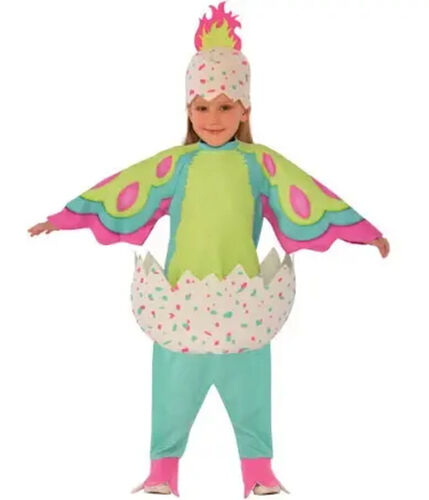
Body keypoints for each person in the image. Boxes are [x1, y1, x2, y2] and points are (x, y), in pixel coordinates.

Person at [28, 2, 390, 497]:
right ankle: (163, 472)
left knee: (251, 387)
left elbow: (309, 195)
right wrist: (63, 219)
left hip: (243, 306)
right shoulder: (175, 166)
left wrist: (363, 232)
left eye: (225, 106)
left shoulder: (260, 164)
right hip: (181, 303)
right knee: (171, 388)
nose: (213, 118)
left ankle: (258, 472)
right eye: (202, 107)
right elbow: (121, 190)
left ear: (245, 110)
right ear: (188, 111)